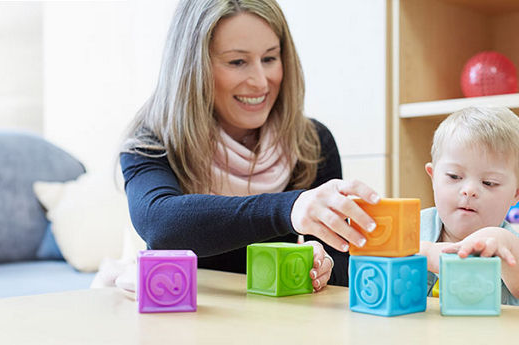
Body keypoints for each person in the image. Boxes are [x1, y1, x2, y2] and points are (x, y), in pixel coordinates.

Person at [118, 0, 380, 291]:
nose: (260, 82)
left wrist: (325, 266)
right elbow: (161, 225)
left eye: (269, 59)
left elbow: (338, 263)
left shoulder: (312, 142)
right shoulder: (151, 143)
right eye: (237, 62)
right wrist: (289, 208)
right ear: (194, 69)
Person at [417, 106, 519, 304]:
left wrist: (504, 242)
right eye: (454, 176)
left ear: (517, 194)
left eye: (489, 183)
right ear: (433, 177)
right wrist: (424, 252)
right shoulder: (412, 226)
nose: (469, 190)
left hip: (490, 336)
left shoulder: (511, 245)